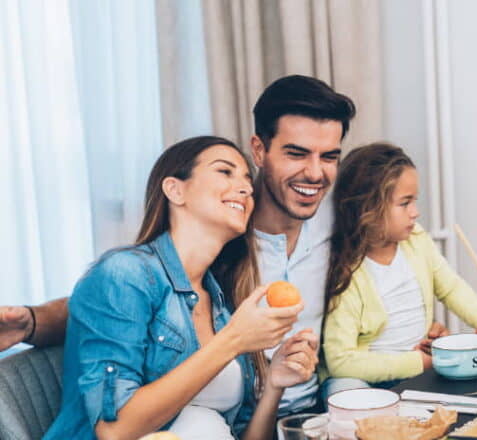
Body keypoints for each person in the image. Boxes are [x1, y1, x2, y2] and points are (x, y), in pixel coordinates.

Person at [0, 136, 318, 440]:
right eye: (225, 171)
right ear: (175, 189)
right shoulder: (125, 275)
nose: (245, 186)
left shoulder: (218, 300)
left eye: (246, 177)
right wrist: (234, 342)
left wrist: (274, 382)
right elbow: (116, 432)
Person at [0, 75, 355, 416]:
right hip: (239, 423)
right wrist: (33, 322)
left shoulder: (339, 229)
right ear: (259, 150)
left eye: (329, 157)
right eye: (296, 154)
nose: (314, 173)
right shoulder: (220, 235)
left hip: (317, 412)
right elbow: (126, 300)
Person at [320, 143, 477, 392]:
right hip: (368, 377)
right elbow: (341, 362)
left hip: (417, 366)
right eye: (405, 203)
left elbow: (451, 288)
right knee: (343, 389)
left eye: (414, 201)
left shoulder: (417, 241)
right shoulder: (347, 272)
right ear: (367, 208)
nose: (415, 213)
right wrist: (418, 362)